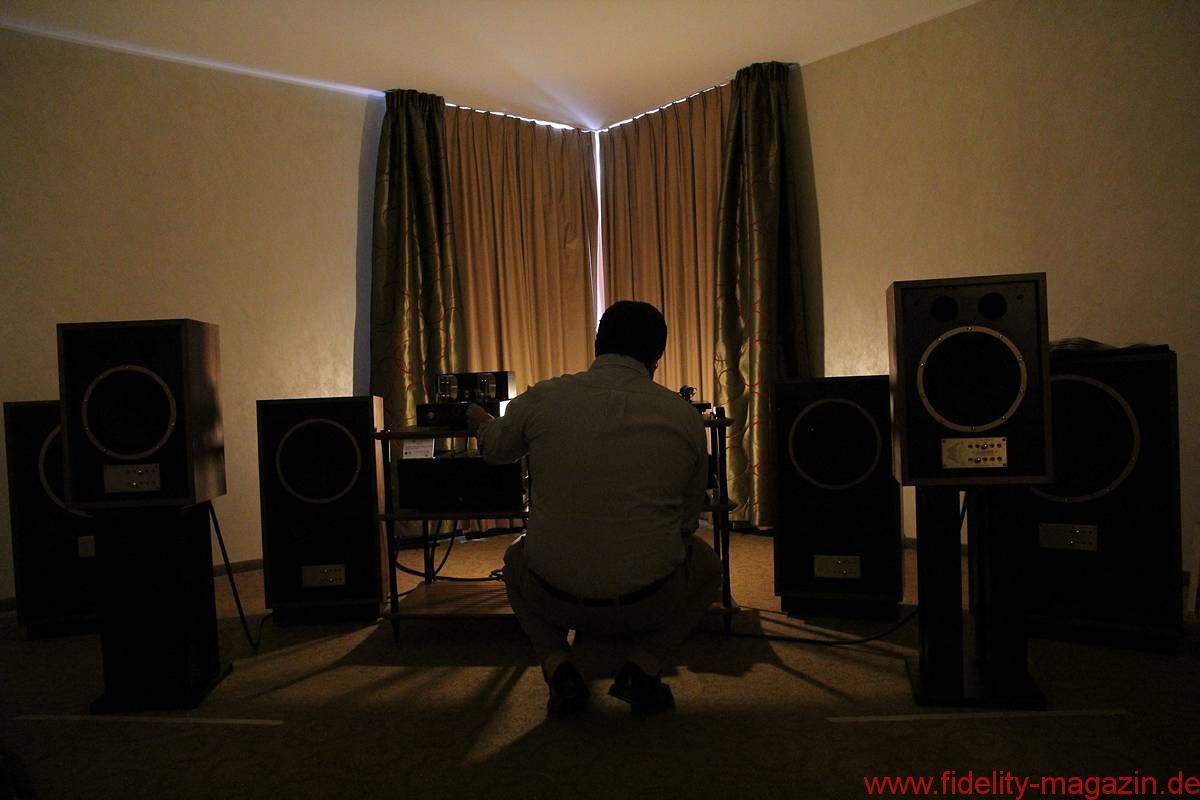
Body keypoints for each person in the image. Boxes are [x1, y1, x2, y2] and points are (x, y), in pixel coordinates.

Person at [466, 300, 722, 716]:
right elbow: (688, 518)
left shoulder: (543, 397)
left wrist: (479, 420)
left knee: (514, 560)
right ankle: (644, 666)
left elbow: (495, 450)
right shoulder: (684, 415)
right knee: (708, 566)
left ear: (598, 343)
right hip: (649, 601)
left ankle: (557, 664)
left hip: (554, 597)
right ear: (657, 356)